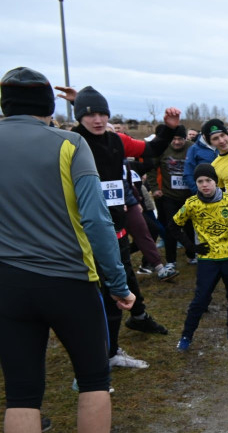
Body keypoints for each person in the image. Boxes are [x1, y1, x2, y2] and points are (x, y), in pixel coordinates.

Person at [1, 67, 133, 433]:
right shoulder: (68, 145)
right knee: (94, 379)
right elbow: (97, 220)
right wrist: (118, 284)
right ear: (49, 106)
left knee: (21, 393)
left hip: (9, 284)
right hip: (70, 279)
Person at [57, 85, 173, 363]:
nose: (98, 120)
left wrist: (168, 128)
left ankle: (137, 320)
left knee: (125, 280)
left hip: (117, 227)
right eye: (90, 114)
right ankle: (104, 353)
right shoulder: (69, 142)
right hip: (86, 233)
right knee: (99, 294)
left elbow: (151, 149)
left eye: (102, 114)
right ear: (79, 117)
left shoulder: (117, 140)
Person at [170, 164, 228, 351]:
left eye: (208, 180)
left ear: (215, 181)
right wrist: (191, 247)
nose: (205, 185)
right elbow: (173, 226)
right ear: (196, 183)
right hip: (208, 259)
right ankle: (186, 337)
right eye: (200, 181)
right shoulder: (192, 204)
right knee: (200, 300)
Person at [149, 125, 194, 268]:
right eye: (174, 139)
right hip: (169, 196)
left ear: (185, 138)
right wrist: (155, 188)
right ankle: (171, 260)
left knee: (189, 227)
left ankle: (192, 255)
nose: (176, 142)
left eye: (180, 139)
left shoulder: (191, 148)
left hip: (188, 196)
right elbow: (151, 168)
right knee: (171, 228)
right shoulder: (163, 148)